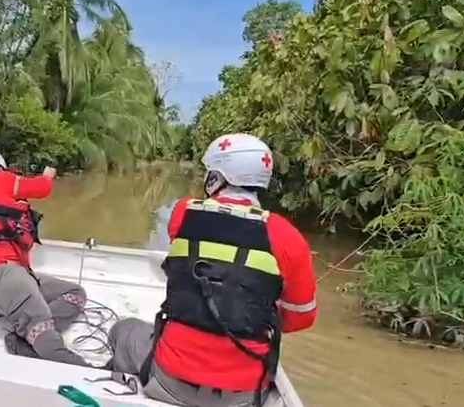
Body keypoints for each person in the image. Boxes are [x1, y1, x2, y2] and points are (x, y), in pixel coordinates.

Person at [107, 134, 317, 407]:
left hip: (171, 380)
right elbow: (302, 317)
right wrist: (253, 309)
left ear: (216, 177)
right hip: (244, 396)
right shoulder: (288, 236)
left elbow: (183, 263)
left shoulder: (183, 212)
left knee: (123, 330)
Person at [0, 146, 91, 367]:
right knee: (40, 325)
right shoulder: (0, 178)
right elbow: (42, 188)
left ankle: (26, 337)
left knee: (74, 293)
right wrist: (48, 175)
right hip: (1, 273)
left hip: (3, 277)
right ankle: (85, 373)